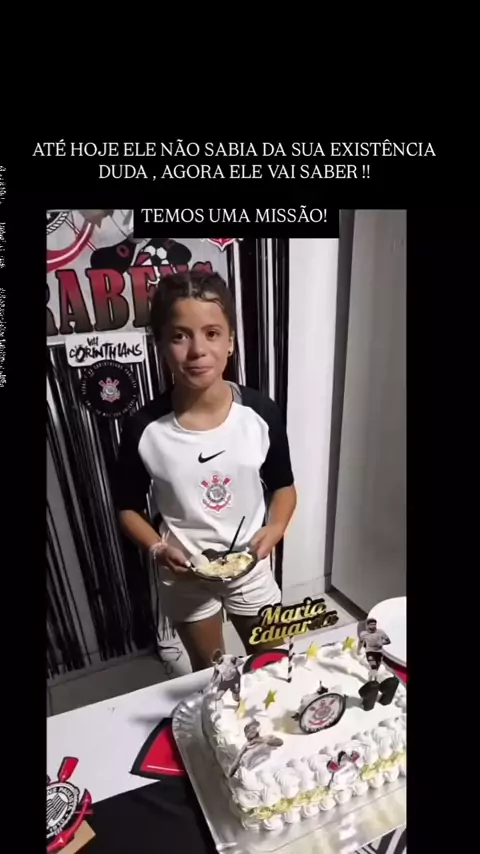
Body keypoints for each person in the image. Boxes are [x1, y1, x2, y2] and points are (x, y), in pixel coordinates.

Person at [113, 270, 297, 672]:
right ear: (160, 344)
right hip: (186, 576)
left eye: (212, 333)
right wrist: (158, 548)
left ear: (230, 341)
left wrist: (275, 528)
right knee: (212, 673)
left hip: (250, 566)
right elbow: (127, 508)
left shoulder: (261, 413)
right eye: (180, 336)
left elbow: (283, 487)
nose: (197, 350)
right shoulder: (144, 428)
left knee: (273, 664)